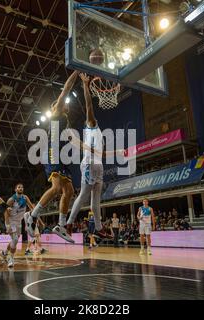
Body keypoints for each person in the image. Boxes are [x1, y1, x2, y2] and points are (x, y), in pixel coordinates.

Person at [24, 71, 80, 243]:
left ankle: (61, 226)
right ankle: (32, 216)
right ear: (57, 106)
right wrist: (76, 71)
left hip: (61, 155)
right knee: (56, 188)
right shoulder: (57, 113)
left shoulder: (65, 121)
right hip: (53, 152)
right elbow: (67, 88)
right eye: (63, 103)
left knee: (69, 191)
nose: (66, 105)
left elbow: (74, 140)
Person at [66, 73, 119, 241]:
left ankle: (98, 228)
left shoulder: (95, 134)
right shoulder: (91, 124)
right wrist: (86, 86)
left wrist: (116, 153)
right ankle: (69, 223)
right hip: (88, 164)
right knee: (83, 195)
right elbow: (89, 106)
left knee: (96, 200)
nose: (93, 118)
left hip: (98, 165)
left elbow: (100, 153)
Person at [1, 183, 34, 268]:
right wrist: (7, 225)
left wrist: (35, 213)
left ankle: (4, 252)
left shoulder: (25, 198)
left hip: (19, 222)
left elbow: (31, 207)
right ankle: (11, 258)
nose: (21, 188)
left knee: (14, 241)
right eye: (19, 187)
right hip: (11, 222)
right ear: (15, 189)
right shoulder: (11, 200)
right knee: (15, 240)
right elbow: (6, 212)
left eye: (22, 187)